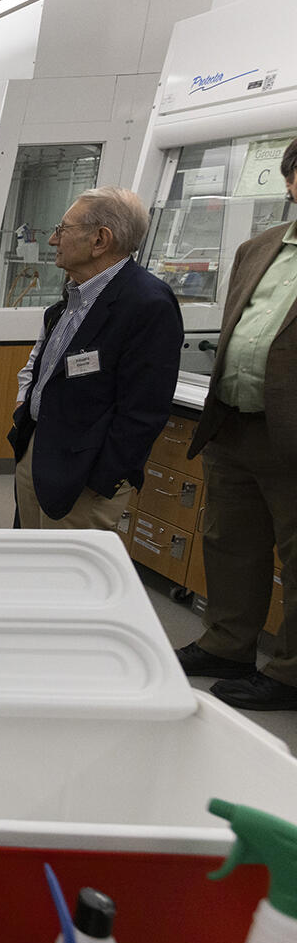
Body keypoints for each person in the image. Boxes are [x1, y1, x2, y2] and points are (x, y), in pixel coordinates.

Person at [175, 137, 297, 711]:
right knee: (231, 542)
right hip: (234, 422)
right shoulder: (259, 248)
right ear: (290, 181)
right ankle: (227, 644)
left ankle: (291, 672)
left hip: (290, 433)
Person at [7, 187, 181, 530]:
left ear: (100, 240)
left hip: (83, 478)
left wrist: (102, 480)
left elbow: (144, 411)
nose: (54, 240)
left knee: (68, 578)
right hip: (38, 451)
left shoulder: (147, 304)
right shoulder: (73, 294)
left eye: (63, 229)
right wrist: (23, 415)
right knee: (27, 568)